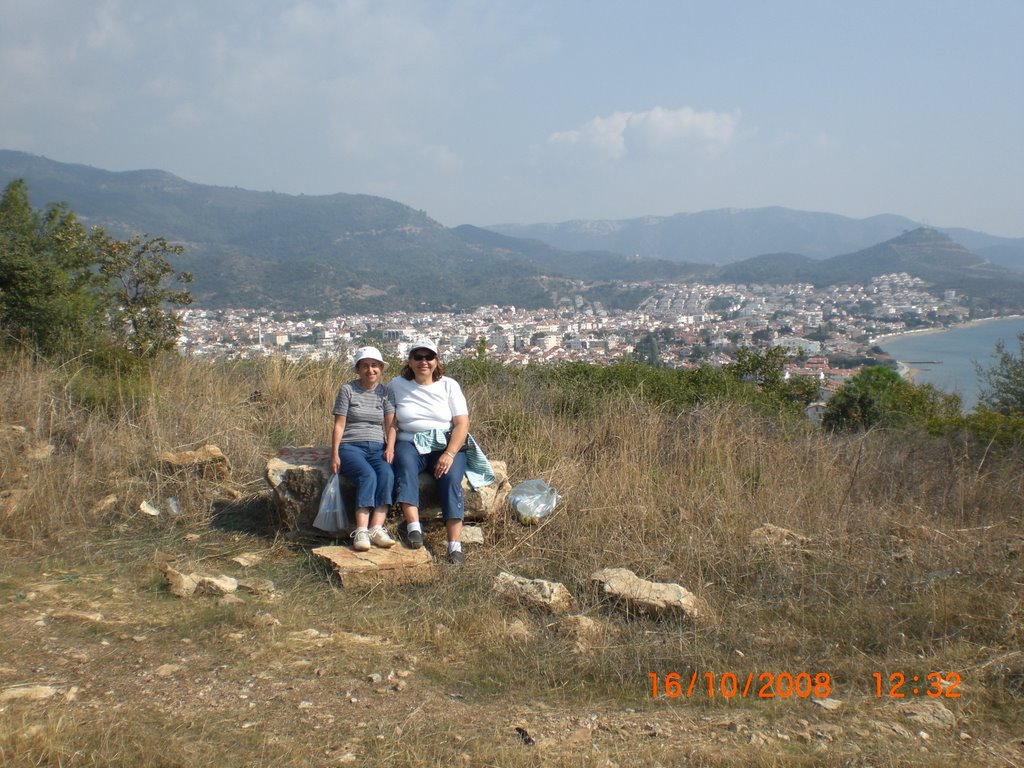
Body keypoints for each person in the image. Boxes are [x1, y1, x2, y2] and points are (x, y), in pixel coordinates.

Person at [386, 339, 493, 565]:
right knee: (404, 465)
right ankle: (414, 527)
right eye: (418, 357)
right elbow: (391, 421)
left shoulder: (449, 385)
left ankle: (454, 544)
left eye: (429, 357)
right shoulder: (396, 385)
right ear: (410, 361)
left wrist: (450, 453)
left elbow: (462, 424)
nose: (423, 362)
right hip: (410, 441)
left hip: (444, 442)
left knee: (452, 478)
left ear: (436, 361)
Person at [331, 346, 396, 552]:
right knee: (367, 475)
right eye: (365, 366)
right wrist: (334, 453)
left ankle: (376, 528)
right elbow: (339, 424)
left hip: (377, 446)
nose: (370, 370)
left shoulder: (385, 393)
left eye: (375, 366)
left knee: (386, 473)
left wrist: (390, 448)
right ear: (358, 369)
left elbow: (390, 424)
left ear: (381, 369)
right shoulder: (348, 390)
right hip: (351, 445)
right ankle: (361, 530)